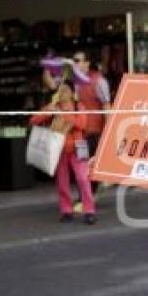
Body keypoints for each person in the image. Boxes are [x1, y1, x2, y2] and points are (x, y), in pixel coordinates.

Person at [30, 80, 97, 225]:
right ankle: (66, 210)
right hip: (58, 148)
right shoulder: (54, 107)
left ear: (72, 93)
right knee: (62, 181)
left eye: (65, 89)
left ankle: (89, 210)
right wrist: (50, 110)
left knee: (83, 179)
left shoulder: (79, 107)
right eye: (60, 90)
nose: (62, 92)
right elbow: (34, 120)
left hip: (78, 147)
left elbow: (82, 124)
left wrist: (64, 114)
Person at [71, 50, 111, 201]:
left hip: (93, 130)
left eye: (77, 60)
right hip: (79, 131)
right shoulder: (73, 81)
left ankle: (87, 197)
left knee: (88, 164)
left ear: (87, 63)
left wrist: (108, 130)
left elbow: (106, 105)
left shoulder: (99, 81)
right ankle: (86, 196)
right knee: (81, 165)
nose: (75, 63)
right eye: (74, 61)